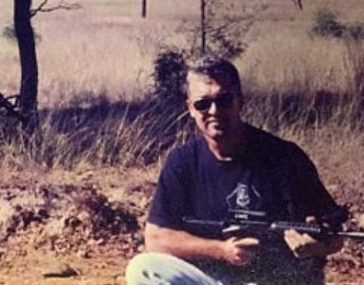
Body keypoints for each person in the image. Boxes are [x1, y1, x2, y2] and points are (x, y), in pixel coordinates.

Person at [125, 55, 345, 285]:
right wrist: (221, 250)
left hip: (273, 279)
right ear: (189, 108)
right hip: (213, 278)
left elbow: (334, 236)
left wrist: (315, 246)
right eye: (202, 104)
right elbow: (157, 238)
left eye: (224, 100)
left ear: (240, 101)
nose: (214, 111)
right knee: (143, 269)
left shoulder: (285, 158)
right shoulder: (182, 162)